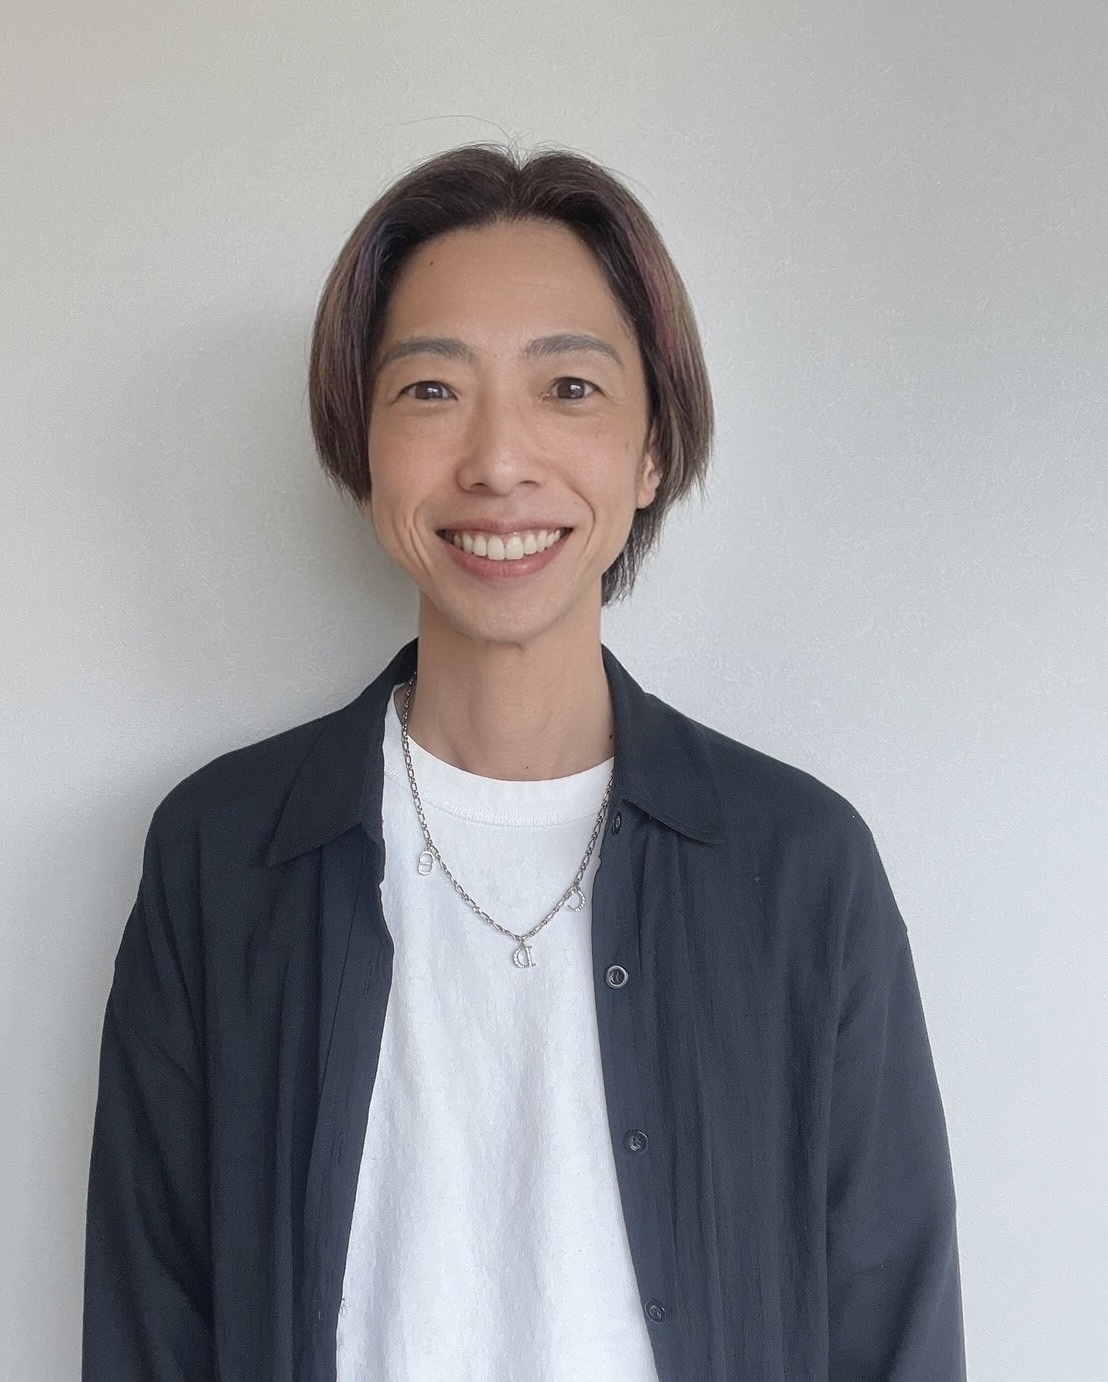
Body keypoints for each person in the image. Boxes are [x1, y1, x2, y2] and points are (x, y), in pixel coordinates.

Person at [83, 145, 965, 1382]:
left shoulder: (801, 866)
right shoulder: (222, 854)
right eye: (431, 389)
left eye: (569, 386)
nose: (498, 459)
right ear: (363, 445)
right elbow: (149, 1318)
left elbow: (895, 1327)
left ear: (651, 449)